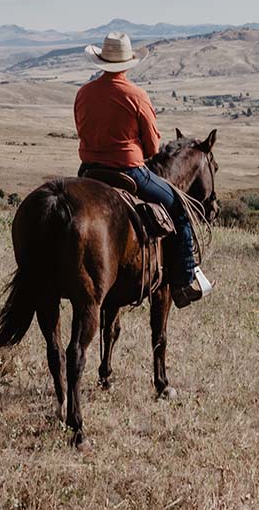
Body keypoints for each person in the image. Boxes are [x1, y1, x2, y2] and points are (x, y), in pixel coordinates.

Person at [74, 32, 204, 308]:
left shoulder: (83, 93)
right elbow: (153, 147)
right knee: (178, 209)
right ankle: (183, 280)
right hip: (130, 173)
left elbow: (81, 130)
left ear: (101, 61)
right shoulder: (136, 95)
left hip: (88, 172)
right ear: (127, 64)